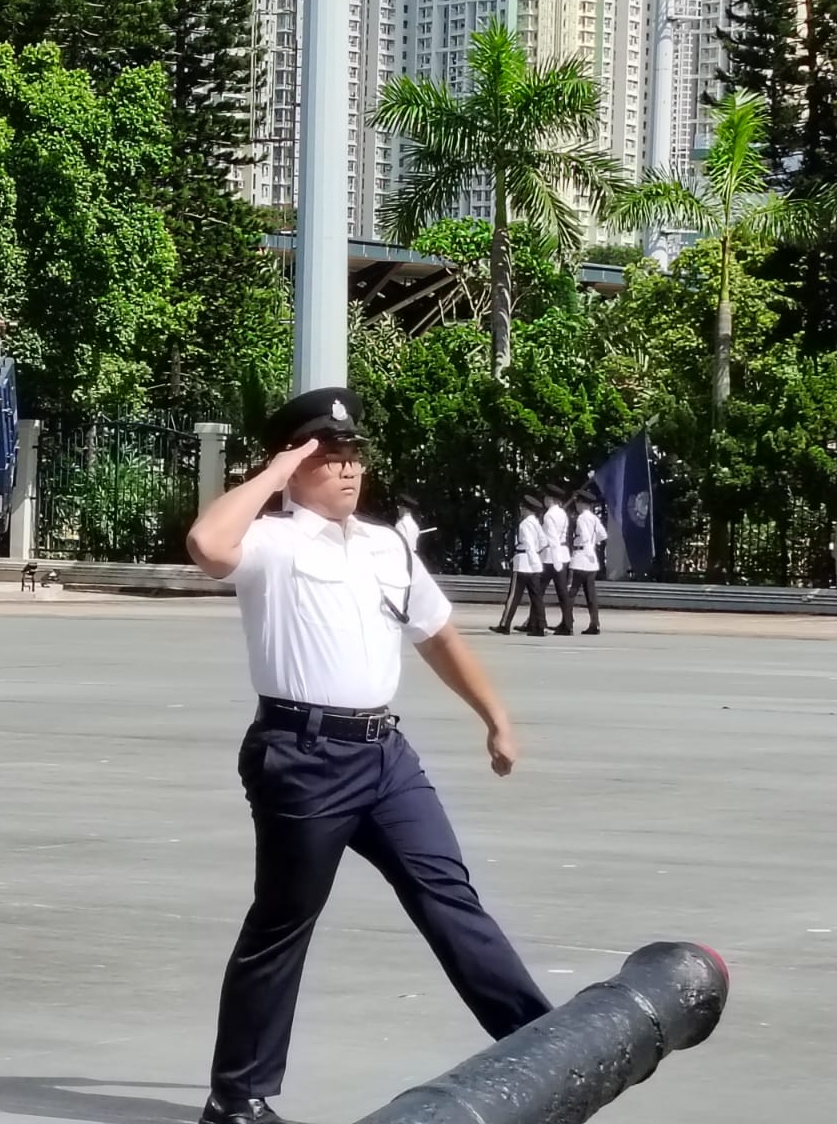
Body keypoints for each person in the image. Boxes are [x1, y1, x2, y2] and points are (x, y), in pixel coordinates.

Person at [186, 387, 552, 1124]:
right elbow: (207, 545)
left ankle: (539, 1044)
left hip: (386, 755)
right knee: (285, 921)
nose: (349, 472)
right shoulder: (272, 544)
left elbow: (439, 635)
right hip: (303, 753)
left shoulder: (388, 546)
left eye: (354, 458)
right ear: (296, 464)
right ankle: (235, 1099)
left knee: (448, 895)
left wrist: (495, 715)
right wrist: (274, 472)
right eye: (329, 458)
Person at [491, 495, 546, 637]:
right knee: (536, 597)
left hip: (523, 562)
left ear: (528, 510)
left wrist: (533, 561)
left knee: (514, 596)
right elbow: (543, 542)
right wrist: (537, 561)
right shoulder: (536, 523)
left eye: (523, 508)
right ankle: (540, 626)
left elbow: (528, 544)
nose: (521, 510)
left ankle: (505, 624)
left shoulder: (525, 524)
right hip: (533, 564)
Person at [569, 491, 606, 636]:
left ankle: (567, 622)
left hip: (580, 558)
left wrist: (588, 547)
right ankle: (594, 623)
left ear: (581, 503)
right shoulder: (594, 518)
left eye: (577, 503)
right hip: (591, 562)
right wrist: (592, 544)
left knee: (571, 592)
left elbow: (584, 536)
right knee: (591, 595)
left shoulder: (582, 518)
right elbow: (603, 534)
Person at [539, 484, 574, 635]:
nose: (544, 500)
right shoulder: (562, 514)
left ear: (550, 499)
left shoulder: (548, 515)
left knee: (537, 591)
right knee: (562, 593)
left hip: (551, 558)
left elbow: (552, 539)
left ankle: (539, 623)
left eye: (546, 498)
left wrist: (555, 560)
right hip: (563, 554)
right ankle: (567, 623)